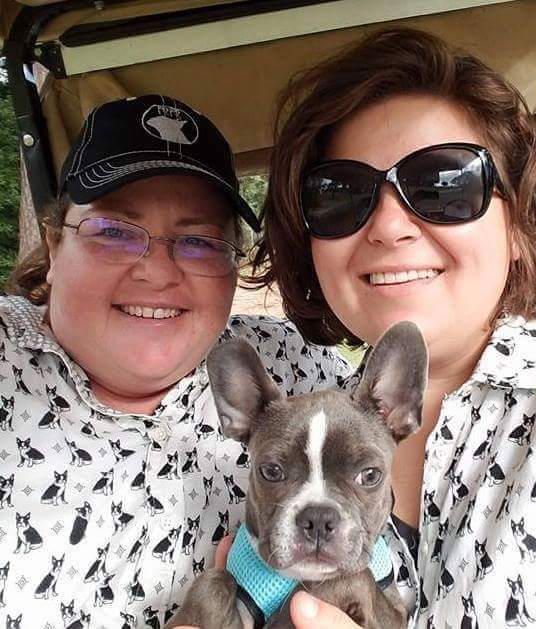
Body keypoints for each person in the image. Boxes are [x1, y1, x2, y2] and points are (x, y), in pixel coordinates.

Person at [254, 28, 536, 628]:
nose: (388, 226)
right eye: (340, 195)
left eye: (443, 184)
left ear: (518, 219)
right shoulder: (297, 403)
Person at [0, 94, 350, 627]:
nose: (158, 273)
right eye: (114, 232)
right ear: (53, 247)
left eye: (199, 242)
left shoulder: (296, 368)